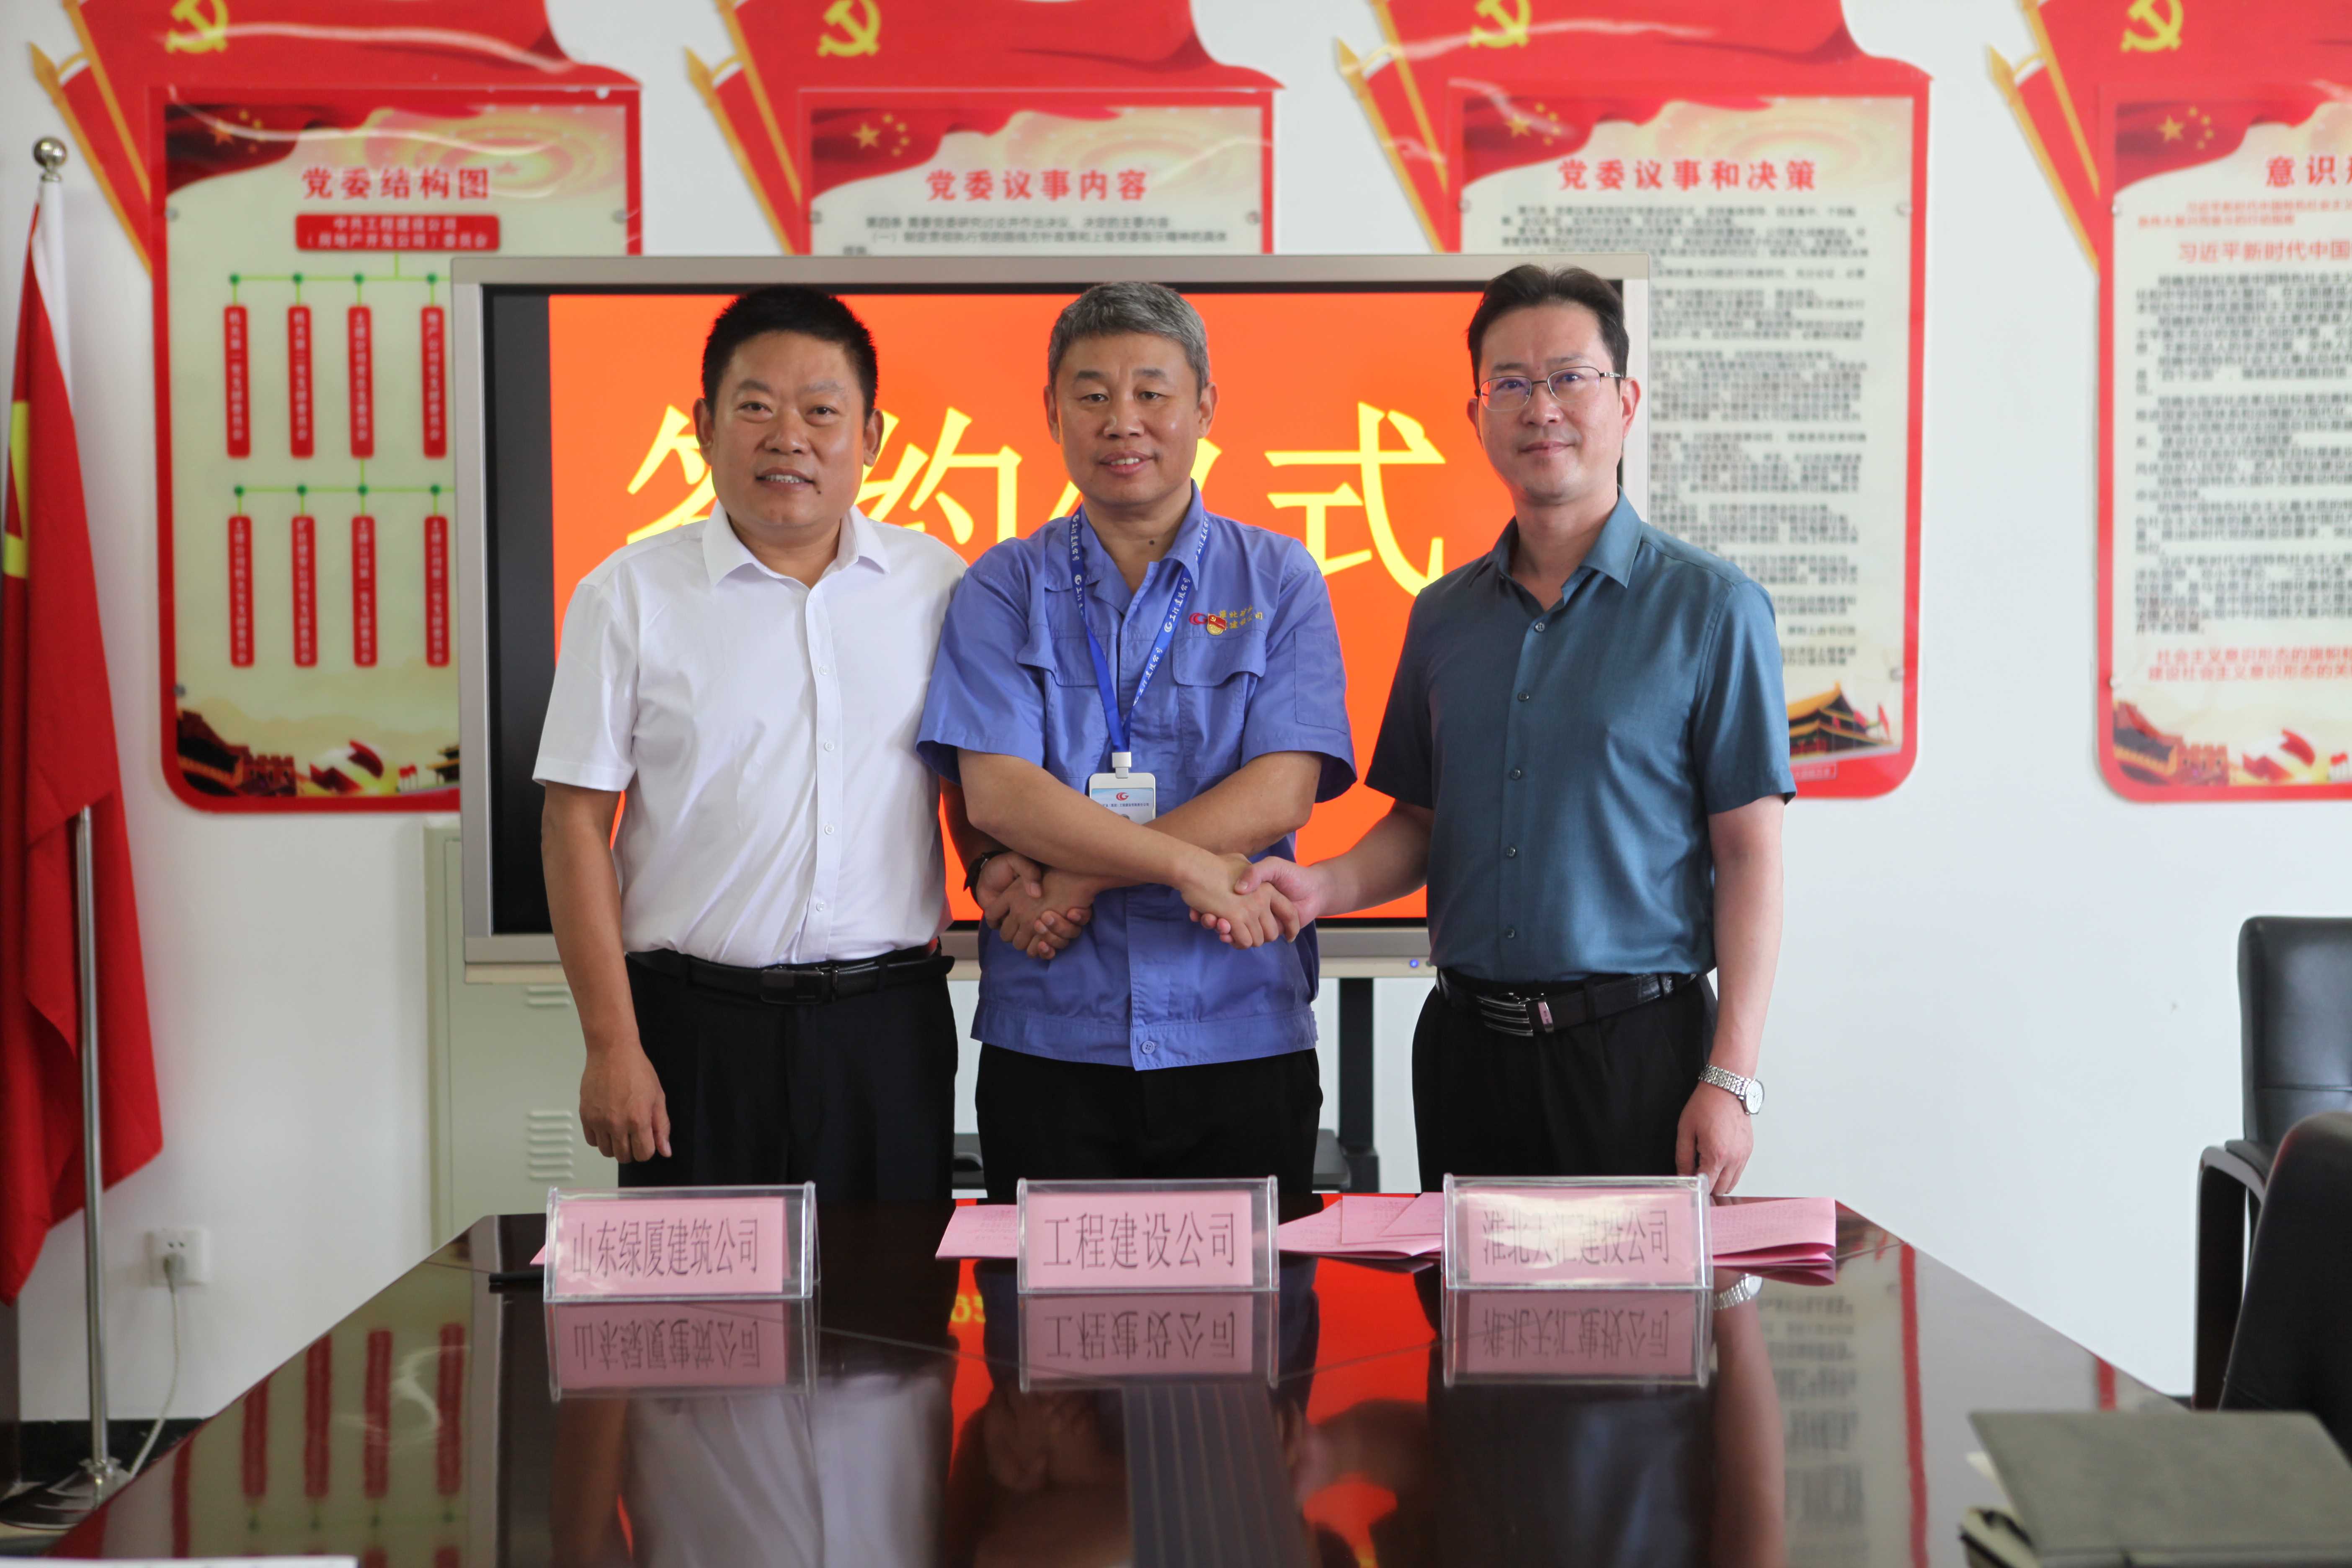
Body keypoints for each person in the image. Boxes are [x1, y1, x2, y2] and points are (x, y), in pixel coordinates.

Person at [1230, 265, 1792, 1194]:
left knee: (1636, 1297)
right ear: (1478, 415)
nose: (1543, 409)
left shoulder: (1712, 609)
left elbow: (1749, 855)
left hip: (1636, 1058)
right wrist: (1320, 885)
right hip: (1466, 1053)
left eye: (1571, 377)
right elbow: (1422, 823)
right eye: (1512, 385)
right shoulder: (1444, 614)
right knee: (1463, 1296)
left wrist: (1731, 1079)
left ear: (1625, 401)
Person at [534, 285, 1040, 1199]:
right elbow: (574, 823)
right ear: (704, 426)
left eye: (821, 412)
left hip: (887, 1030)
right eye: (757, 408)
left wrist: (994, 866)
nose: (789, 439)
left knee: (891, 1290)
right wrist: (611, 1045)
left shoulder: (938, 584)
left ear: (871, 436)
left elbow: (969, 782)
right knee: (698, 1293)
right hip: (694, 1032)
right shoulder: (628, 595)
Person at [917, 281, 1356, 1202]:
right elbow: (999, 795)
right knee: (1048, 1296)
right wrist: (1189, 866)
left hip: (1239, 1024)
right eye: (1092, 395)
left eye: (1152, 393)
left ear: (1205, 408)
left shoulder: (1278, 576)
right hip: (1052, 1035)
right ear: (1052, 413)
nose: (1123, 422)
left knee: (1256, 1296)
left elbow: (1282, 790)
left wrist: (1081, 879)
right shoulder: (1003, 584)